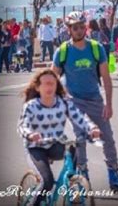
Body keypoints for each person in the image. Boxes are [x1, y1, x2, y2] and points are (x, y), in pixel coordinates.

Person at [52, 11, 118, 192]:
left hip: (95, 99)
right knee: (80, 140)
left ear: (85, 28)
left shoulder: (96, 48)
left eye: (81, 27)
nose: (79, 31)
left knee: (107, 138)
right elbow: (51, 78)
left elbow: (106, 78)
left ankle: (114, 175)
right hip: (74, 101)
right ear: (69, 30)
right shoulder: (63, 51)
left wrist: (108, 104)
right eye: (75, 28)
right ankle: (82, 177)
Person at [17, 69, 101, 206]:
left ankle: (71, 181)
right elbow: (23, 126)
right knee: (47, 181)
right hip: (36, 148)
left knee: (73, 148)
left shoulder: (64, 103)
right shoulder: (31, 106)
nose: (49, 87)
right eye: (46, 84)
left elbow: (79, 117)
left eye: (52, 84)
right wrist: (30, 134)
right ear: (38, 87)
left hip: (55, 145)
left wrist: (92, 128)